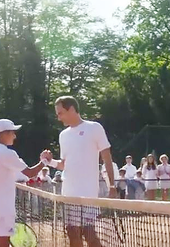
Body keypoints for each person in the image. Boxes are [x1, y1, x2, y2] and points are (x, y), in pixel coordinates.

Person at [40, 96, 116, 247]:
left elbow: (107, 157)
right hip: (69, 193)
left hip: (88, 192)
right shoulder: (63, 135)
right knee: (72, 232)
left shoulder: (94, 127)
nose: (58, 117)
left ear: (72, 109)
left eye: (60, 113)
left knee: (89, 233)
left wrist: (112, 186)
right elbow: (64, 165)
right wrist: (50, 161)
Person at [0, 119, 51, 247]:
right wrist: (44, 161)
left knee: (2, 239)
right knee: (4, 241)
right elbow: (30, 173)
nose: (15, 136)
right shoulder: (6, 153)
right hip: (2, 203)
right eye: (12, 133)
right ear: (4, 134)